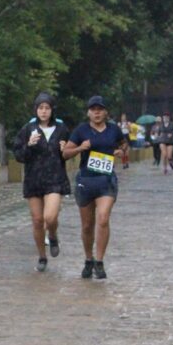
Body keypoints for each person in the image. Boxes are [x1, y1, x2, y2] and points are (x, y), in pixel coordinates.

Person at [63, 95, 127, 280]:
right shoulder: (81, 131)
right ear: (88, 112)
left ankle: (99, 261)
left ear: (105, 112)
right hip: (86, 181)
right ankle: (88, 259)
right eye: (93, 109)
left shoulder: (114, 130)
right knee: (87, 225)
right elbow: (66, 153)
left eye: (100, 109)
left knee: (103, 218)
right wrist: (80, 148)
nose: (97, 112)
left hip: (106, 181)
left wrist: (120, 152)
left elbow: (124, 146)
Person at [13, 92, 71, 272]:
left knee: (50, 217)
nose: (44, 112)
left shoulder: (61, 129)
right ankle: (42, 256)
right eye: (40, 108)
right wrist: (29, 145)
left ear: (52, 110)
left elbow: (70, 152)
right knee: (37, 220)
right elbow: (19, 155)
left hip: (55, 178)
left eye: (47, 108)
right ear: (36, 110)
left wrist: (66, 149)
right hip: (33, 180)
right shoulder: (28, 129)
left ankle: (52, 236)